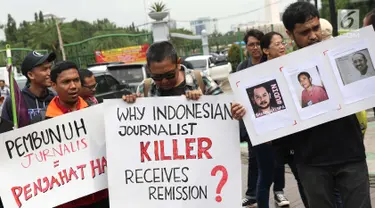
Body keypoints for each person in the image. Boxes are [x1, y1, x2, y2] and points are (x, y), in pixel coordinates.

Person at [279, 2, 370, 208]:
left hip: (350, 153)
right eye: (304, 32)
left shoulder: (343, 55)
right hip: (311, 162)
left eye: (316, 28)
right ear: (289, 33)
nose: (313, 36)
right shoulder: (281, 71)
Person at [46, 61, 109, 208]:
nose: (73, 86)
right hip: (68, 202)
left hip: (102, 196)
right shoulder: (43, 123)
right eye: (66, 82)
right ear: (53, 85)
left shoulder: (97, 111)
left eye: (76, 80)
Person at [122, 41, 222, 102]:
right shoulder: (145, 88)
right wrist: (131, 104)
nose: (164, 81)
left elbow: (225, 109)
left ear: (178, 63)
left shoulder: (200, 80)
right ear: (149, 69)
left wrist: (203, 100)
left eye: (169, 75)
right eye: (157, 77)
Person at [1, 51, 56, 129]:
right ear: (31, 75)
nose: (50, 73)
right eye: (44, 69)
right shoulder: (14, 101)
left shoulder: (56, 98)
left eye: (50, 68)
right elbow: (4, 134)